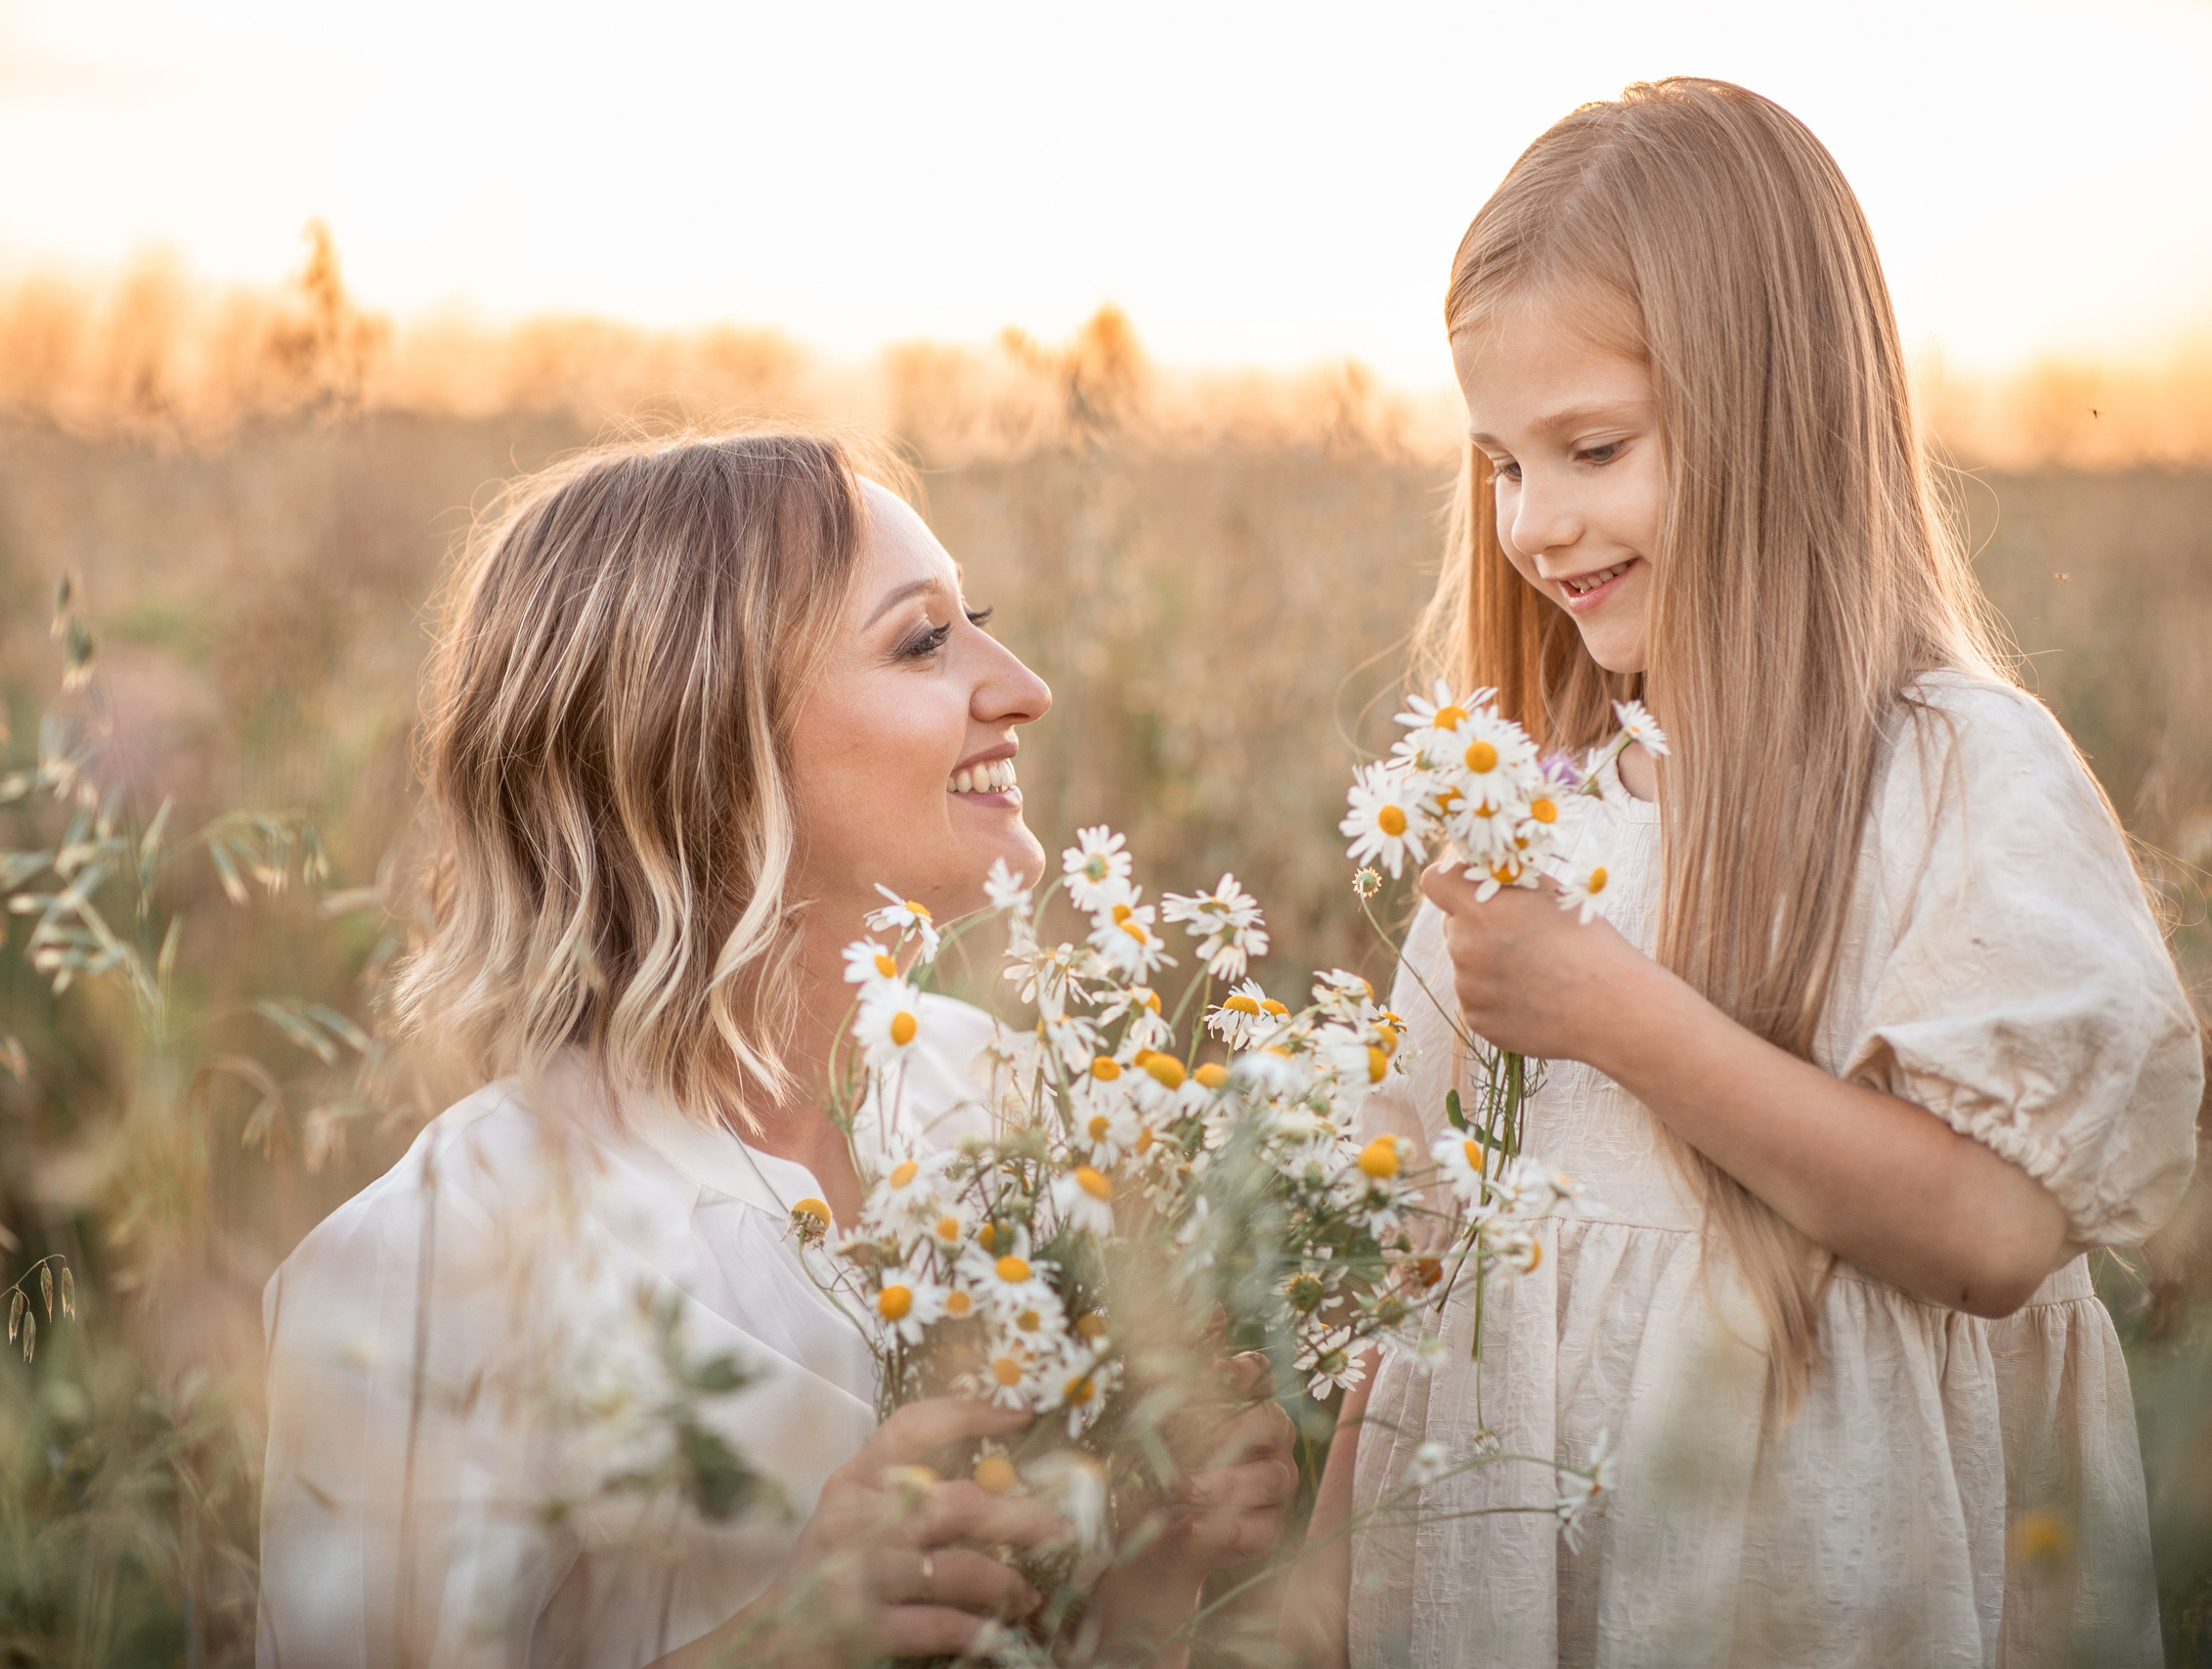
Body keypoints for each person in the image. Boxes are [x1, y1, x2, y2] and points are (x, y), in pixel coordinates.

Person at [1286, 78, 2201, 1668]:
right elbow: (1423, 1261)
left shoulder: (1954, 779)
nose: (1536, 521)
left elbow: (1993, 1236)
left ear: (1780, 417)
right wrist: (1304, 1603)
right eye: (1500, 464)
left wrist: (1620, 1014)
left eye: (1591, 447)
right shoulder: (1522, 810)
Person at [257, 432, 1296, 1668]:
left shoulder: (1012, 1103)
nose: (1023, 686)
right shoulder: (443, 1262)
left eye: (978, 622)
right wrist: (781, 1643)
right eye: (923, 641)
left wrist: (1153, 1565)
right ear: (701, 738)